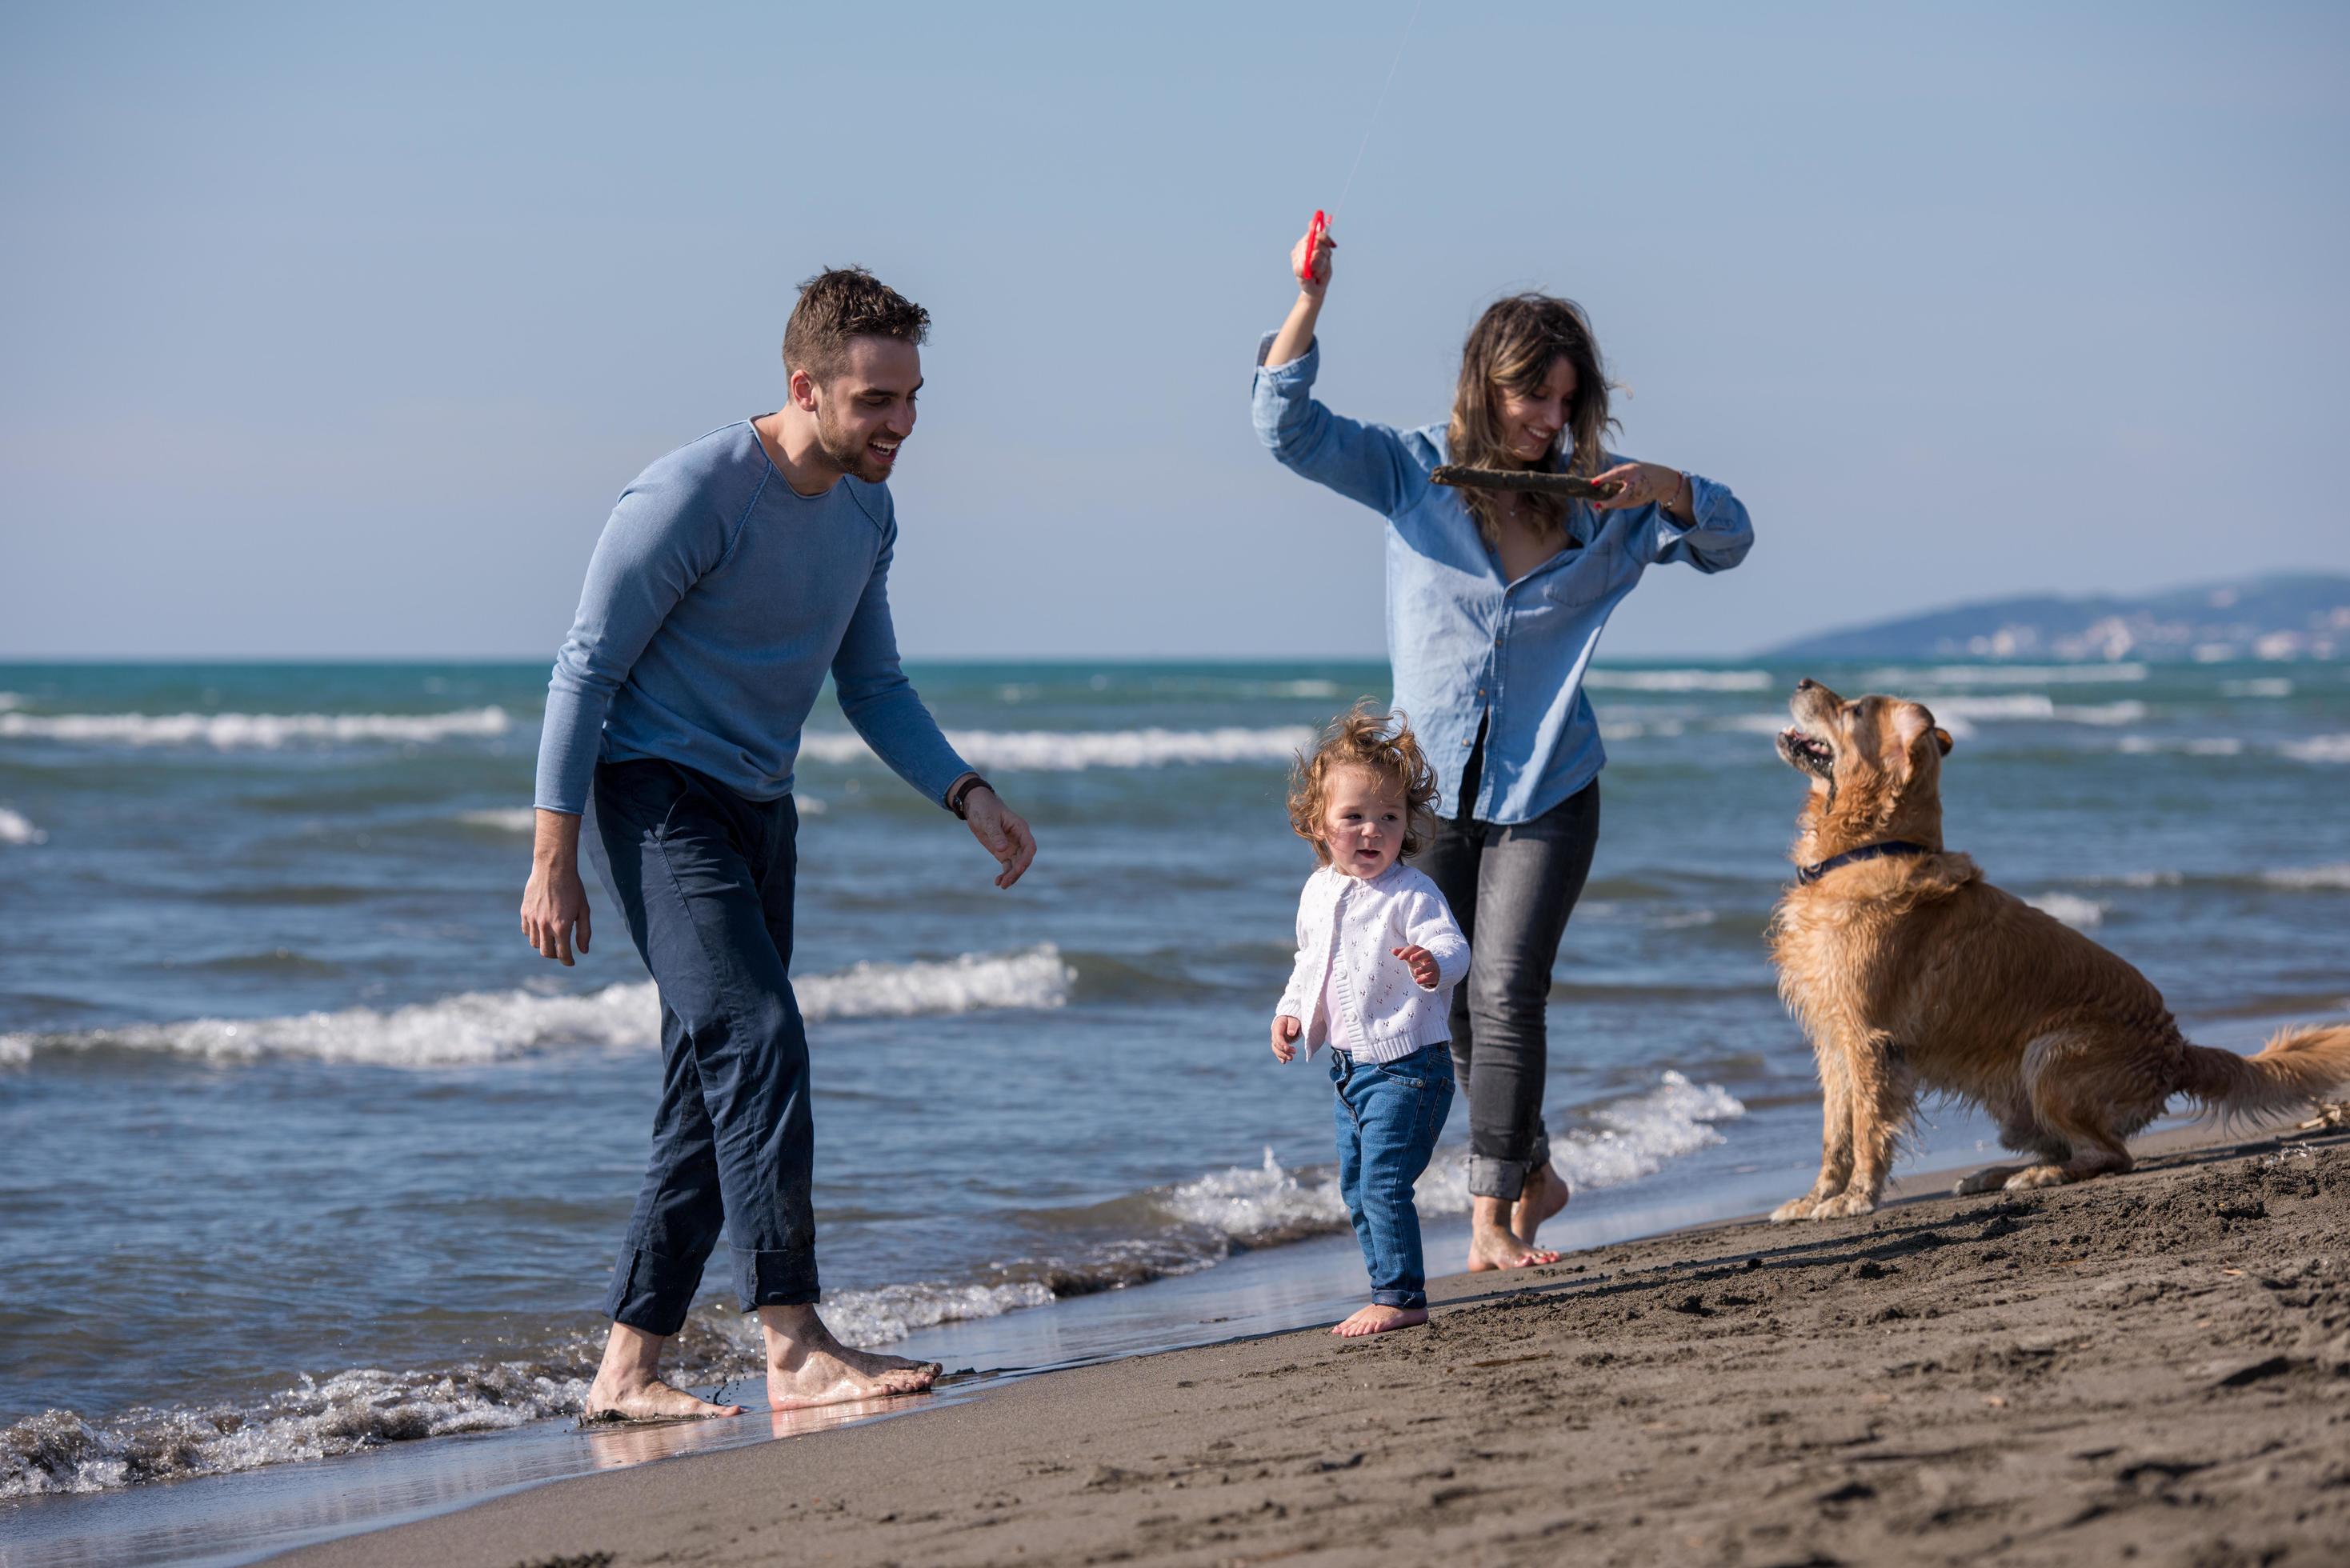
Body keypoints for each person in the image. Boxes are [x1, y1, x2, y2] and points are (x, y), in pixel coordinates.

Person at [520, 266, 1038, 1419]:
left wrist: (964, 790)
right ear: (804, 387)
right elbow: (585, 669)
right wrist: (554, 853)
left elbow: (873, 682)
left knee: (711, 1087)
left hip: (762, 807)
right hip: (656, 800)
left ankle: (627, 1370)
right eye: (875, 403)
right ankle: (793, 1337)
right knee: (758, 1040)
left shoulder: (868, 509)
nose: (901, 425)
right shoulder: (693, 493)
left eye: (912, 399)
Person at [1251, 224, 1754, 1274]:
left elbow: (1729, 540)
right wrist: (1309, 301)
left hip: (1551, 788)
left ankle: (1487, 1220)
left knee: (1507, 987)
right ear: (1489, 386)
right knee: (1444, 990)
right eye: (1535, 398)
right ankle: (1530, 1169)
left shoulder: (1605, 510)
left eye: (1568, 401)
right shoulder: (1412, 473)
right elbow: (1284, 428)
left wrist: (1662, 482)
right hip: (1425, 798)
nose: (1551, 421)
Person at [1271, 706, 1469, 1336]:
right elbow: (1310, 963)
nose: (1369, 831)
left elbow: (1454, 945)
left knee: (1385, 1181)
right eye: (1352, 817)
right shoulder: (1320, 891)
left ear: (1407, 824)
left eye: (1387, 817)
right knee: (1356, 1189)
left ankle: (1400, 1297)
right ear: (1317, 824)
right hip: (1349, 1072)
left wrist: (1432, 963)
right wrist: (1290, 1012)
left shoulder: (1412, 893)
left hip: (1411, 1067)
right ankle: (1386, 1286)